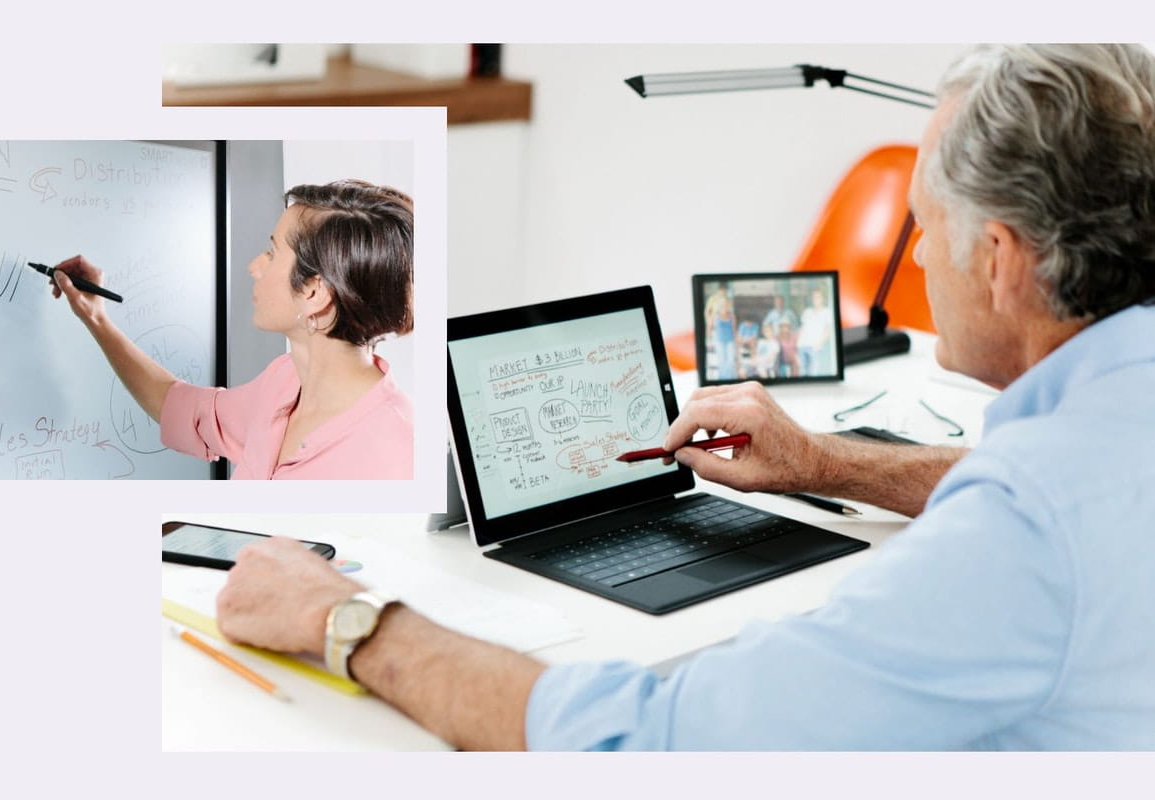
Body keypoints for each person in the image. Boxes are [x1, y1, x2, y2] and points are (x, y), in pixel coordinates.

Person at [216, 45, 1155, 749]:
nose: (914, 255)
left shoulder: (1023, 525)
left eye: (926, 226)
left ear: (997, 260)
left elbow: (657, 744)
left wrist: (349, 620)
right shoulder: (1103, 437)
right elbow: (1037, 485)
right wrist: (824, 464)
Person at [52, 179, 414, 479]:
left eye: (272, 253)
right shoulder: (283, 383)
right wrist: (96, 319)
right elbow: (179, 407)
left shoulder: (394, 450)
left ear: (315, 292)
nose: (255, 266)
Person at [796, 286, 833, 376]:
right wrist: (797, 344)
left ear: (822, 299)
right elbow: (802, 328)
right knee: (803, 373)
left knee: (814, 373)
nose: (815, 299)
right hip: (802, 346)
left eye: (818, 297)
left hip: (815, 348)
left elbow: (828, 330)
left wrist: (819, 343)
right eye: (814, 297)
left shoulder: (827, 312)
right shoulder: (807, 311)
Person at [704, 284, 738, 380]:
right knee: (721, 360)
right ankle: (723, 379)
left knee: (730, 360)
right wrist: (708, 340)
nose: (726, 307)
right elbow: (709, 327)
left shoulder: (732, 316)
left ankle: (730, 379)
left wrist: (737, 342)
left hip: (730, 340)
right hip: (719, 340)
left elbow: (734, 330)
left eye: (727, 305)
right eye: (724, 305)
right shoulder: (715, 315)